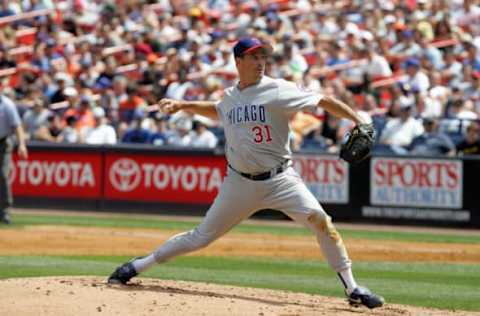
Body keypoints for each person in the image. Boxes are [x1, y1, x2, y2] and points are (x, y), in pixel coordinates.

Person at [107, 37, 384, 309]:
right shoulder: (230, 96)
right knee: (200, 237)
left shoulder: (278, 89)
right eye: (254, 56)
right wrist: (183, 106)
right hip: (239, 183)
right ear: (238, 61)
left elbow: (323, 100)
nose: (260, 62)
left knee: (323, 223)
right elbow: (219, 110)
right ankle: (137, 266)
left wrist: (359, 119)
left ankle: (352, 288)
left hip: (281, 180)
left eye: (263, 56)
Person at [0, 94, 28, 224]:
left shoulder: (7, 104)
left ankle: (4, 212)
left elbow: (17, 126)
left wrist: (21, 144)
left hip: (3, 143)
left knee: (3, 175)